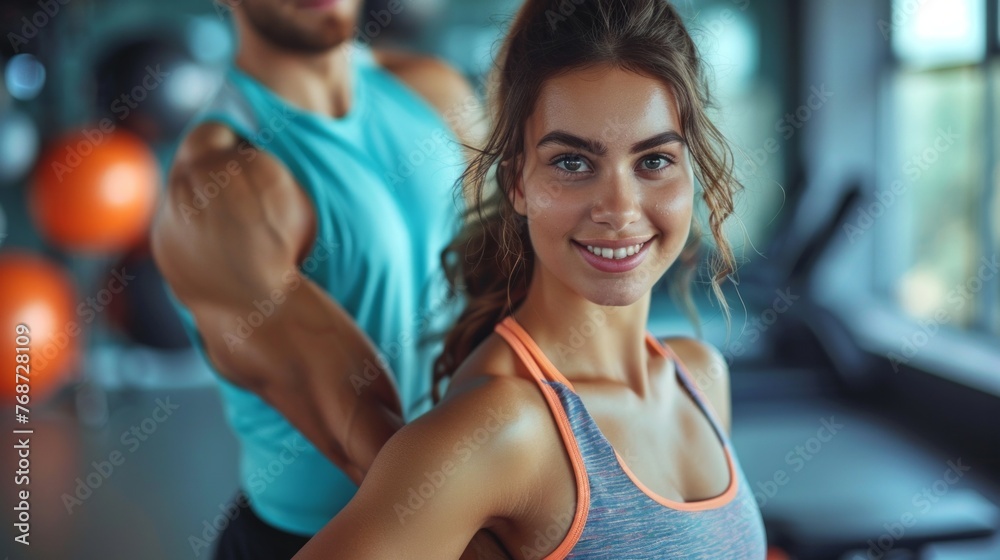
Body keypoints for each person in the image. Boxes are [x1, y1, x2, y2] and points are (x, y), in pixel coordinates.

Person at [292, 0, 768, 558]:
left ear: (692, 170)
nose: (619, 209)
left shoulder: (701, 376)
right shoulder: (497, 428)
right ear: (517, 182)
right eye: (572, 162)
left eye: (654, 160)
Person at [150, 0, 483, 557]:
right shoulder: (217, 186)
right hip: (313, 538)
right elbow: (359, 428)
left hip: (466, 504)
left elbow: (505, 295)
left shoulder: (436, 94)